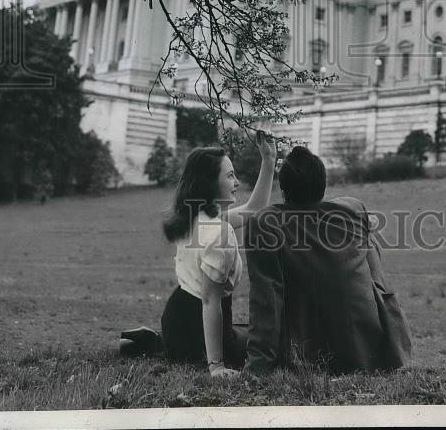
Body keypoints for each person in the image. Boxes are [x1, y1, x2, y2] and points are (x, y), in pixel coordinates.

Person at [243, 145, 412, 375]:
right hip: (367, 349)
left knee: (236, 337)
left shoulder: (265, 223)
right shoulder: (354, 210)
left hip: (308, 355)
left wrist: (257, 368)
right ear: (323, 184)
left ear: (283, 190)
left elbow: (266, 301)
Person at [122, 132, 277, 379]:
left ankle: (155, 342)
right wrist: (216, 365)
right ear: (210, 183)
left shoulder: (195, 217)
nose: (236, 182)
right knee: (263, 343)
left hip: (176, 318)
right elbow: (210, 303)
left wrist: (268, 161)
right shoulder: (219, 232)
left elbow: (254, 209)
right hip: (199, 327)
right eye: (229, 176)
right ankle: (164, 345)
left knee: (246, 332)